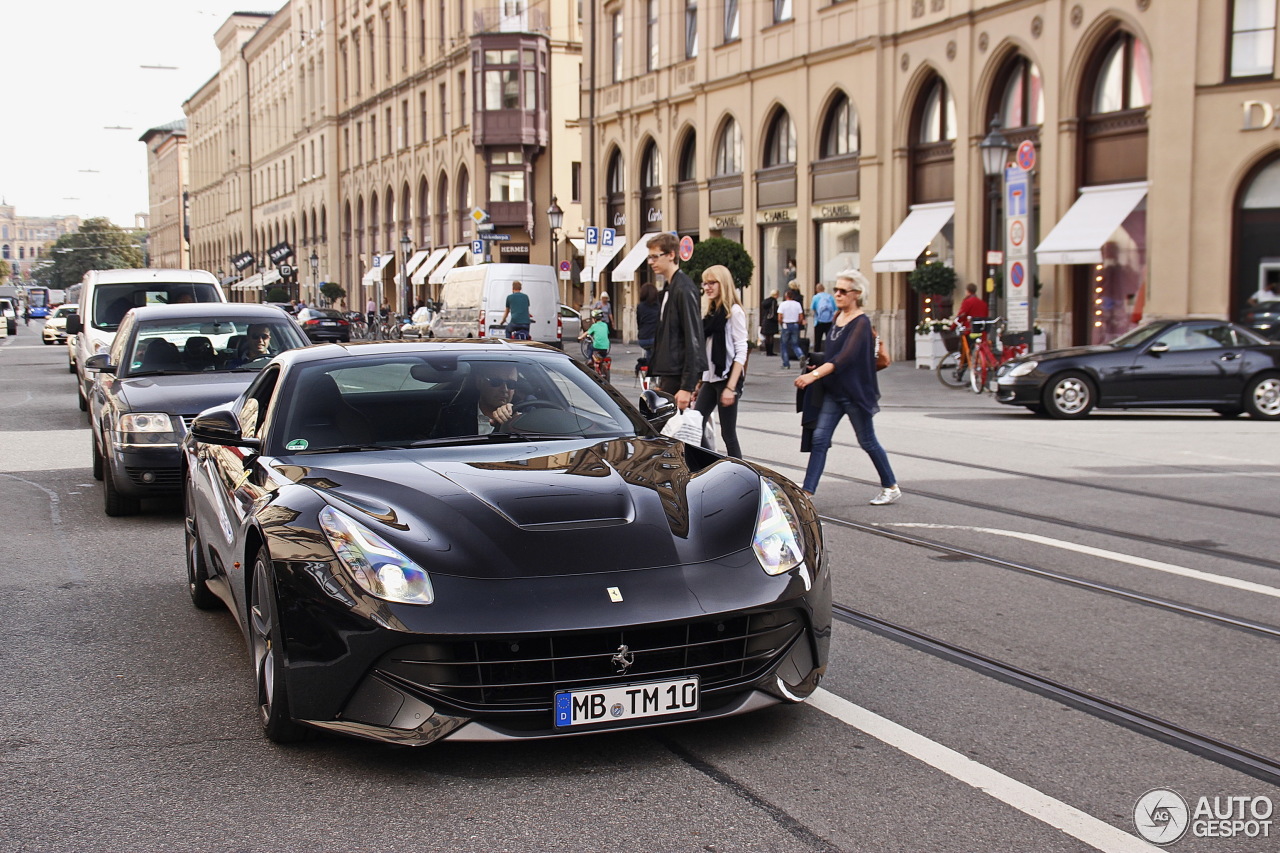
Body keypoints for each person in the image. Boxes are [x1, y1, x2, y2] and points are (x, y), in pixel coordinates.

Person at [794, 270, 900, 505]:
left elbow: (845, 358)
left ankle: (890, 486)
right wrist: (817, 360)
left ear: (857, 294)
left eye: (843, 291)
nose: (838, 295)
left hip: (854, 393)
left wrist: (814, 375)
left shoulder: (861, 322)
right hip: (833, 390)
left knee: (867, 441)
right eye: (836, 290)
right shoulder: (837, 318)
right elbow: (832, 353)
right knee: (820, 439)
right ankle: (808, 491)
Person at [645, 232, 708, 410]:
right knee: (675, 432)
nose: (651, 262)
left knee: (680, 431)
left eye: (655, 257)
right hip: (670, 373)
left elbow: (693, 338)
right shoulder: (670, 287)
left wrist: (687, 386)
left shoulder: (683, 288)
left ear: (671, 255)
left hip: (678, 375)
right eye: (650, 257)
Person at [694, 265, 747, 458]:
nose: (707, 287)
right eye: (705, 283)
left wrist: (731, 387)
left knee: (728, 433)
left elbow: (741, 351)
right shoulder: (711, 314)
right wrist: (699, 382)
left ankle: (741, 475)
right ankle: (710, 463)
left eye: (712, 283)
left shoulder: (734, 312)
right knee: (695, 424)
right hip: (711, 379)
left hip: (727, 379)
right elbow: (706, 351)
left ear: (723, 284)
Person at [431, 360, 520, 437]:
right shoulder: (452, 415)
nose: (504, 389)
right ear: (479, 382)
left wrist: (517, 421)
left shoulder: (524, 415)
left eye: (511, 384)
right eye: (496, 382)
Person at [777, 289, 805, 370]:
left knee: (784, 345)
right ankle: (800, 355)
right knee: (795, 344)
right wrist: (798, 322)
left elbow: (780, 317)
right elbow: (801, 317)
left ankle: (786, 364)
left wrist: (782, 324)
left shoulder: (783, 304)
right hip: (795, 324)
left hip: (786, 324)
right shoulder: (797, 304)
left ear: (786, 296)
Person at [636, 282, 660, 364]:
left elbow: (639, 323)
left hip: (643, 339)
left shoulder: (640, 306)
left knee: (649, 351)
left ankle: (648, 368)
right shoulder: (658, 306)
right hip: (656, 338)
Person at [810, 283, 837, 352]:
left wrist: (815, 316)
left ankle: (816, 355)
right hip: (829, 322)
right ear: (824, 289)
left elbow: (812, 308)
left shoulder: (815, 297)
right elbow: (835, 309)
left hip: (819, 322)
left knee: (817, 340)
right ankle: (830, 354)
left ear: (816, 289)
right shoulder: (830, 297)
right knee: (829, 340)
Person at [760, 289, 779, 356]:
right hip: (771, 320)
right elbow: (774, 311)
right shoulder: (774, 301)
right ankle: (770, 351)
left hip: (766, 320)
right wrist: (776, 318)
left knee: (767, 337)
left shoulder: (766, 301)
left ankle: (768, 351)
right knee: (771, 336)